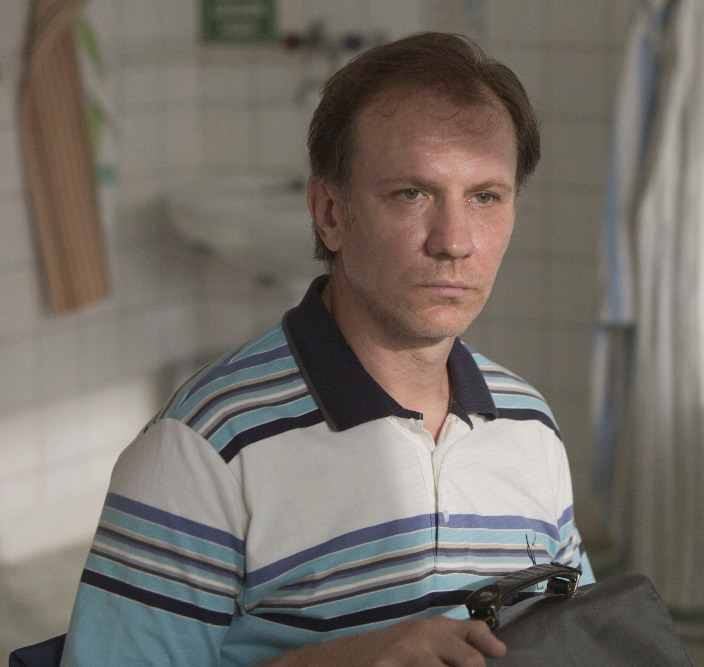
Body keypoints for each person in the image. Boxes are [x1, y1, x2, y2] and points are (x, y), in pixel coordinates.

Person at [60, 32, 593, 666]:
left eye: (485, 197)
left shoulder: (529, 425)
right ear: (330, 212)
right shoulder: (206, 449)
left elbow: (576, 642)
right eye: (411, 193)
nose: (454, 241)